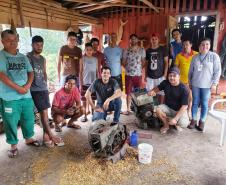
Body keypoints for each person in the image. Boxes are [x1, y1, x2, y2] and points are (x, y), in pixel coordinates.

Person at [0, 29, 40, 158]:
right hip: (9, 96)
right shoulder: (1, 56)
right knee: (10, 122)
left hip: (26, 95)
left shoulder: (23, 57)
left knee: (28, 118)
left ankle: (28, 138)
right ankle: (13, 146)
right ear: (2, 41)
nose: (13, 43)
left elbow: (31, 72)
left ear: (18, 40)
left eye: (15, 40)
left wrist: (27, 86)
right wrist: (18, 88)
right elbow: (2, 75)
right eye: (9, 40)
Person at [27, 35, 64, 147]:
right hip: (34, 89)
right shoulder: (28, 57)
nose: (39, 47)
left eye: (41, 45)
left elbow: (44, 73)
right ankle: (51, 136)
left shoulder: (43, 58)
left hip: (43, 88)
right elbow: (26, 74)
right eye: (37, 45)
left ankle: (46, 137)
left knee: (45, 113)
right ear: (32, 45)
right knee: (42, 113)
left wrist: (46, 85)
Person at [188, 38, 221, 131]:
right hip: (195, 84)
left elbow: (217, 72)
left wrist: (214, 84)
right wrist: (190, 82)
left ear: (210, 46)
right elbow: (191, 71)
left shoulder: (214, 56)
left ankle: (202, 122)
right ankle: (193, 120)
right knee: (194, 103)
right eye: (203, 44)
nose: (205, 46)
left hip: (207, 86)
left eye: (207, 44)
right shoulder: (195, 57)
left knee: (204, 104)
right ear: (199, 46)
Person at [148, 66, 189, 134]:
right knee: (157, 109)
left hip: (179, 110)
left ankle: (175, 122)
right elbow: (157, 88)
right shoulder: (165, 83)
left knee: (184, 123)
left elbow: (184, 106)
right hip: (168, 108)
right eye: (170, 75)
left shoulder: (184, 89)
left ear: (179, 77)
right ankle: (166, 125)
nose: (172, 78)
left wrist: (176, 118)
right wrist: (152, 91)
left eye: (174, 76)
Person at [122, 34, 146, 114]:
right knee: (128, 93)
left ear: (137, 40)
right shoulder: (126, 50)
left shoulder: (142, 50)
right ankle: (128, 109)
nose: (133, 40)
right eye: (132, 39)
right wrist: (129, 68)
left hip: (138, 75)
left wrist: (138, 69)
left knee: (138, 93)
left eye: (135, 39)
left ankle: (138, 109)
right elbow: (123, 62)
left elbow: (143, 62)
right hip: (128, 75)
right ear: (130, 40)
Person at [175, 39, 198, 119]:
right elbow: (176, 68)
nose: (185, 46)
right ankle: (181, 111)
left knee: (190, 97)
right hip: (181, 81)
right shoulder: (179, 55)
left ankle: (188, 111)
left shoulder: (196, 54)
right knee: (181, 97)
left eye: (187, 45)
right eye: (183, 45)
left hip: (192, 81)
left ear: (191, 45)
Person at [146, 33, 168, 104]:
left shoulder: (163, 49)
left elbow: (166, 62)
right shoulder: (148, 50)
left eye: (156, 39)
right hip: (150, 75)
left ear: (158, 40)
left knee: (161, 92)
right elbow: (146, 64)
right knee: (150, 92)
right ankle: (152, 106)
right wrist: (145, 74)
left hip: (160, 75)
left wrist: (165, 74)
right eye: (153, 39)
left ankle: (161, 106)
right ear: (150, 40)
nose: (154, 40)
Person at [79, 42, 98, 122]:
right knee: (84, 100)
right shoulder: (82, 59)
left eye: (90, 50)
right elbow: (80, 71)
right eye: (87, 50)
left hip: (93, 82)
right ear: (85, 50)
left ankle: (93, 114)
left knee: (93, 99)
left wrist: (97, 82)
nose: (89, 51)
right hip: (85, 82)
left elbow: (97, 71)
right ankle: (84, 115)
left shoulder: (95, 59)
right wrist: (81, 83)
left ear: (93, 50)